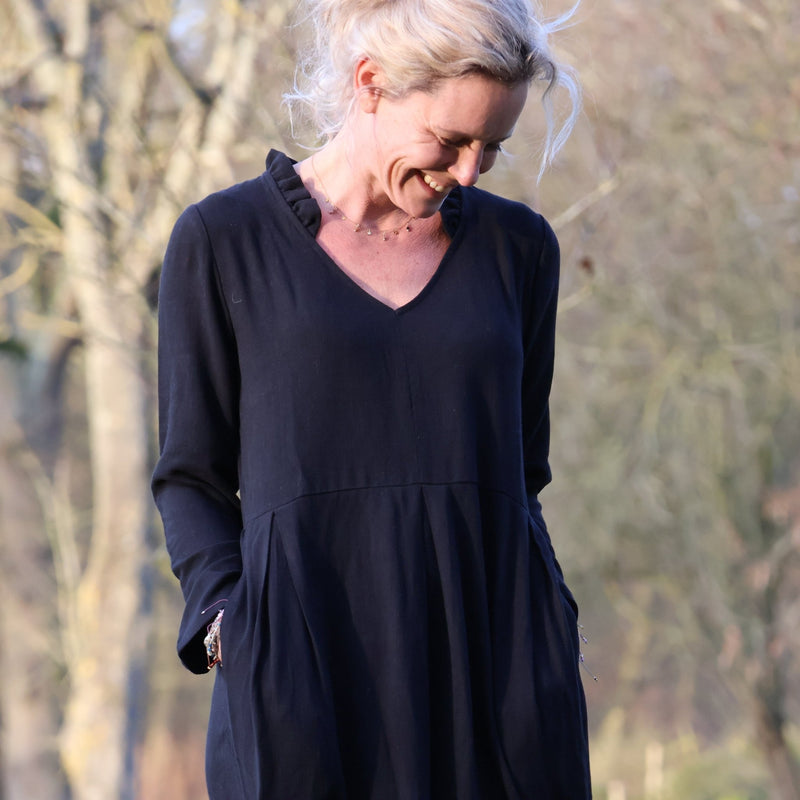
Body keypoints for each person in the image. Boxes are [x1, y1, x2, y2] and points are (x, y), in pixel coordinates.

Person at [152, 0, 591, 797]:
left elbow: (522, 471)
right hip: (304, 685)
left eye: (492, 147)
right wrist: (231, 630)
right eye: (451, 139)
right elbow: (191, 478)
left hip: (501, 683)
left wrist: (551, 623)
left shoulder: (520, 249)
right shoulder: (224, 241)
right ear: (370, 84)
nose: (469, 171)